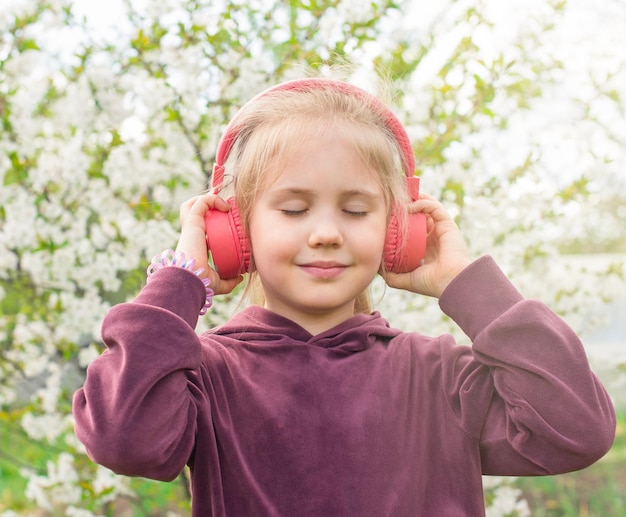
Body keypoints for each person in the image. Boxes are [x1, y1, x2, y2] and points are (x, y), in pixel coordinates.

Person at [73, 77, 616, 517]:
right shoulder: (208, 377)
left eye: (356, 210)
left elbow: (576, 430)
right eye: (293, 209)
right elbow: (123, 436)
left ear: (398, 231)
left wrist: (467, 284)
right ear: (235, 231)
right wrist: (179, 282)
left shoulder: (440, 377)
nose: (327, 232)